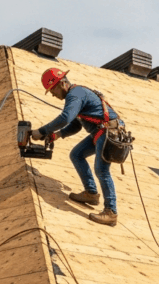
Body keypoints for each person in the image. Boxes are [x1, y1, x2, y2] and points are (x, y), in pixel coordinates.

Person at [32, 67, 124, 227]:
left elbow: (66, 117)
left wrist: (41, 131)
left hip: (108, 132)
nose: (53, 95)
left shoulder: (75, 94)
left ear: (61, 84)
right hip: (101, 132)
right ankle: (91, 193)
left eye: (52, 90)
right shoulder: (77, 94)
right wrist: (57, 135)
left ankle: (111, 212)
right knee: (76, 154)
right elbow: (76, 125)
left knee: (102, 170)